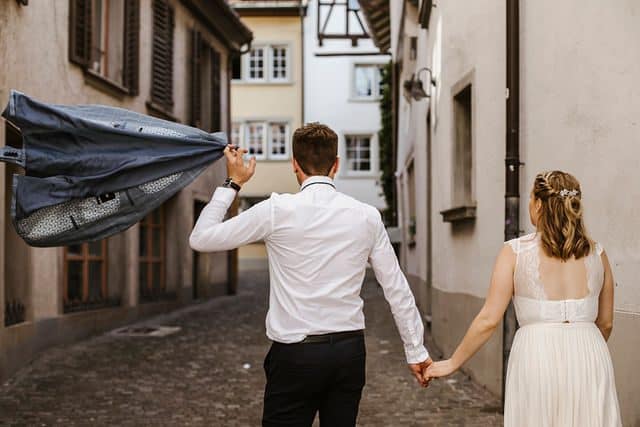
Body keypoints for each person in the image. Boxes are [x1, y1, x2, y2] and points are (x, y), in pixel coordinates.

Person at [189, 123, 431, 427]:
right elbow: (396, 287)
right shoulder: (367, 216)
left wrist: (233, 183)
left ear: (294, 164)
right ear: (336, 164)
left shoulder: (276, 210)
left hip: (295, 356)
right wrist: (415, 350)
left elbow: (201, 238)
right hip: (348, 353)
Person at [425, 171, 622, 426]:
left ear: (539, 204)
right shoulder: (599, 253)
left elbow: (488, 319)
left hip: (537, 358)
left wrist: (452, 362)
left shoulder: (514, 252)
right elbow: (605, 323)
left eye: (531, 197)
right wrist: (580, 346)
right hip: (590, 357)